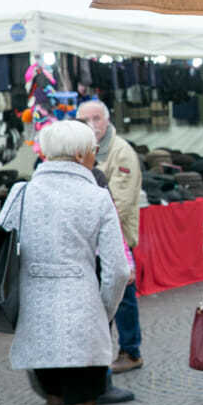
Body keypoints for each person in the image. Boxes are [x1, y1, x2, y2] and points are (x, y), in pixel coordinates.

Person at [0, 120, 129, 405]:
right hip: (83, 319)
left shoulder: (22, 193)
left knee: (53, 399)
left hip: (36, 318)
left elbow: (0, 254)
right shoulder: (97, 197)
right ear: (82, 153)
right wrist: (104, 312)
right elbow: (118, 270)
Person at [77, 100, 144, 376]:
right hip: (92, 239)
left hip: (117, 236)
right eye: (85, 120)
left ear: (107, 119)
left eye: (96, 118)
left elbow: (121, 202)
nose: (92, 125)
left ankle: (131, 350)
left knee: (123, 294)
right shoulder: (82, 150)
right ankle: (100, 351)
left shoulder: (121, 153)